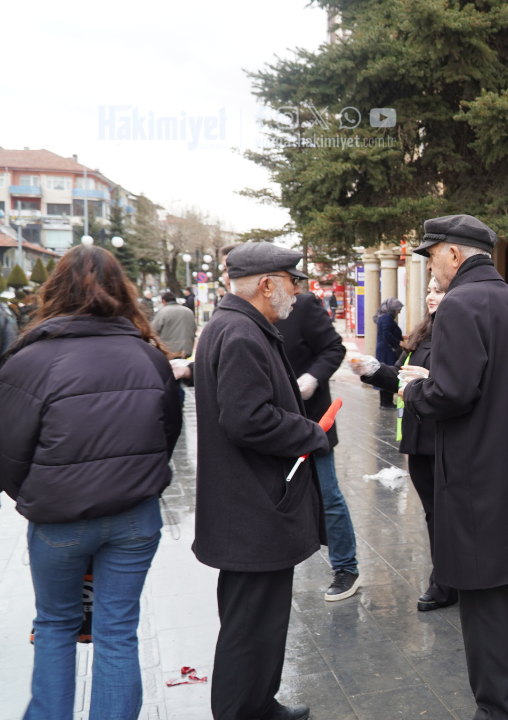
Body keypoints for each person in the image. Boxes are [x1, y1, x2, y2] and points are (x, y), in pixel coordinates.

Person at [0, 245, 182, 720]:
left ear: (52, 290)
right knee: (117, 630)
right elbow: (167, 437)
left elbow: (9, 452)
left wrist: (36, 496)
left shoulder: (28, 360)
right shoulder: (149, 356)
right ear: (123, 290)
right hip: (134, 518)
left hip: (59, 520)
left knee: (56, 624)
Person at [405, 215, 508, 720]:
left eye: (432, 256)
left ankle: (499, 709)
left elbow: (452, 392)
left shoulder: (459, 305)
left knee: (485, 599)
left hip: (478, 481)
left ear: (453, 253)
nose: (432, 266)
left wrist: (414, 388)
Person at [193, 242, 328, 720]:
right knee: (250, 626)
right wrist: (310, 431)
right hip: (250, 509)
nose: (297, 290)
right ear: (268, 284)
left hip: (249, 506)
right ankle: (242, 711)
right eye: (292, 280)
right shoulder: (241, 332)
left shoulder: (237, 326)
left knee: (259, 622)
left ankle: (258, 705)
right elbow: (247, 419)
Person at [353, 277, 456, 612]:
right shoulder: (422, 332)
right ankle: (446, 579)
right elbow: (401, 375)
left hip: (445, 436)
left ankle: (445, 582)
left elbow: (460, 382)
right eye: (428, 289)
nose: (430, 296)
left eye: (438, 290)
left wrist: (430, 381)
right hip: (418, 437)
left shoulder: (459, 330)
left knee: (447, 515)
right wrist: (372, 370)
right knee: (432, 514)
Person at [275, 290, 361, 601]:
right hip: (269, 426)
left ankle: (346, 566)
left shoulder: (303, 304)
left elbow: (333, 347)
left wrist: (313, 377)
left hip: (312, 422)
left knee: (327, 495)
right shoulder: (240, 316)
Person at [375, 297, 405, 408]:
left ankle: (386, 402)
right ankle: (386, 402)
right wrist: (399, 343)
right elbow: (387, 334)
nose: (399, 312)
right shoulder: (387, 318)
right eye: (398, 309)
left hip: (386, 349)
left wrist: (402, 337)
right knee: (387, 373)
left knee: (386, 371)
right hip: (387, 350)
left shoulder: (385, 317)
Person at [152, 291, 197, 358]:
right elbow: (194, 328)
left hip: (169, 350)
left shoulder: (163, 312)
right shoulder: (188, 311)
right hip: (186, 350)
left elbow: (153, 330)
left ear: (164, 301)